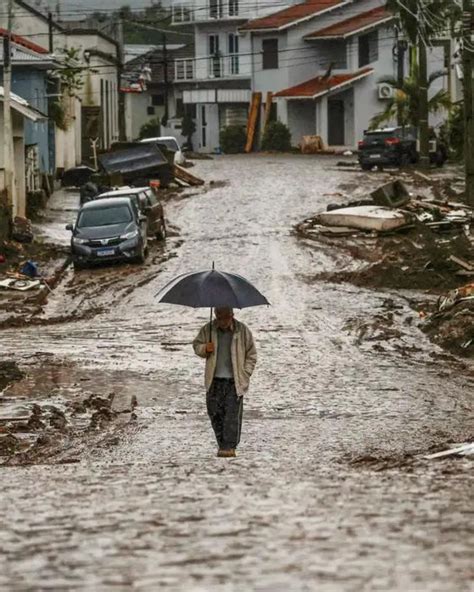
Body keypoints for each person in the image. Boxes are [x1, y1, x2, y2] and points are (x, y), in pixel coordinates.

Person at [193, 307, 257, 458]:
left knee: (231, 414)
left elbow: (251, 354)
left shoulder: (242, 331)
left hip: (234, 381)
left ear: (232, 315)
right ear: (215, 315)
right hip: (214, 380)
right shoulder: (208, 329)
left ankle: (229, 446)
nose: (222, 321)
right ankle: (222, 443)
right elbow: (196, 345)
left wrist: (245, 372)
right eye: (219, 317)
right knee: (214, 411)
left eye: (226, 317)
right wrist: (205, 349)